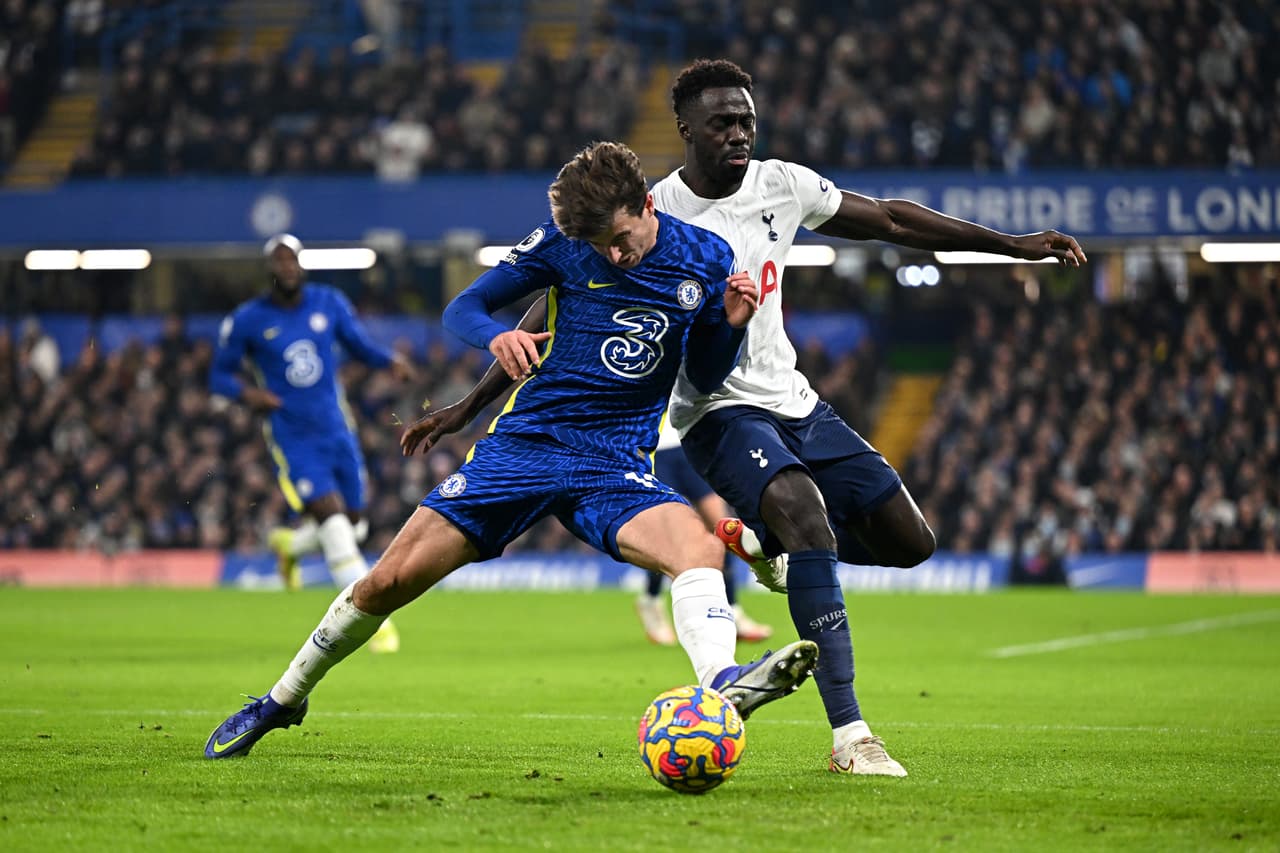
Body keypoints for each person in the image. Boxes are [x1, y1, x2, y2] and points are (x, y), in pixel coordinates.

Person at [405, 59, 1088, 777]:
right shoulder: (649, 216)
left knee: (910, 541)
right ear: (686, 131)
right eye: (723, 123)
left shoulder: (781, 184)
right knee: (806, 511)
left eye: (746, 121)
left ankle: (767, 548)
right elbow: (551, 318)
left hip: (795, 399)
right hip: (714, 410)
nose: (739, 133)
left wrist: (1012, 245)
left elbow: (888, 218)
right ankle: (851, 736)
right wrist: (468, 408)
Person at [204, 141, 818, 759]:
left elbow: (708, 373)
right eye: (600, 244)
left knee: (700, 548)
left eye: (621, 237)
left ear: (643, 205)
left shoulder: (706, 257)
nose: (612, 252)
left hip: (614, 462)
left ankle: (720, 683)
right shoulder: (565, 244)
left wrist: (731, 323)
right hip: (523, 449)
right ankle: (282, 699)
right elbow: (463, 306)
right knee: (384, 583)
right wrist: (497, 337)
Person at [209, 233, 413, 654]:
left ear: (301, 264)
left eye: (293, 260)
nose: (288, 268)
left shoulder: (329, 302)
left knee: (354, 523)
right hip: (292, 436)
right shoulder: (248, 319)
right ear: (270, 269)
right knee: (335, 522)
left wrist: (389, 362)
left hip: (338, 429)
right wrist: (249, 395)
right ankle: (374, 622)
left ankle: (292, 546)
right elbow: (219, 375)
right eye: (280, 262)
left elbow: (358, 345)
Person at [636, 418, 772, 646]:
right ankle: (651, 601)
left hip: (686, 443)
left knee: (721, 528)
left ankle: (733, 611)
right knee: (666, 537)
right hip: (654, 451)